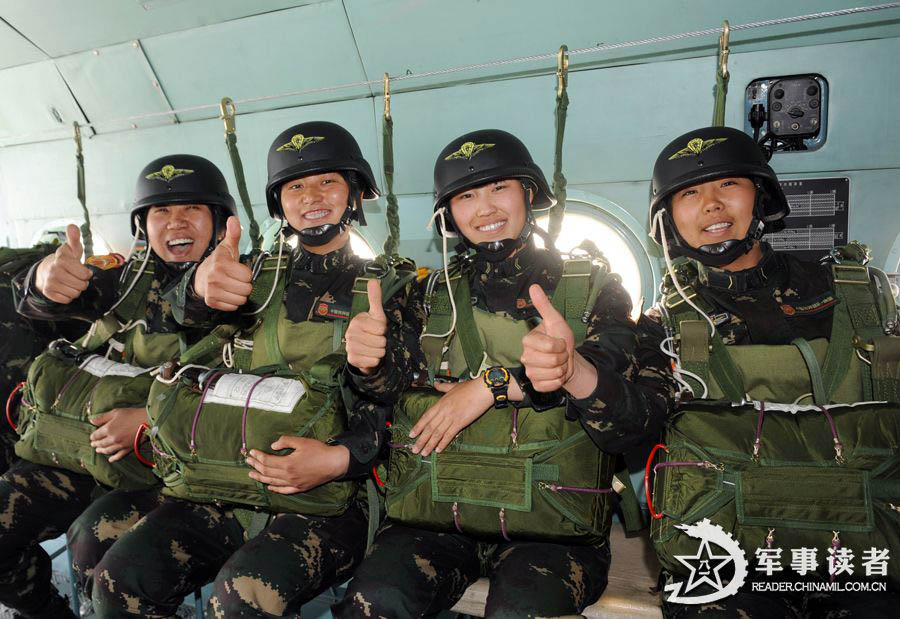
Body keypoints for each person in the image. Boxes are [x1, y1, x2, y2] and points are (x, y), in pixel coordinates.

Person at [334, 129, 677, 618]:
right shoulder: (431, 295)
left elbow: (629, 414)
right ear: (448, 215)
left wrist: (496, 385)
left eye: (500, 188)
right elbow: (390, 389)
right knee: (371, 605)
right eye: (466, 196)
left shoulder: (598, 287)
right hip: (435, 517)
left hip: (553, 530)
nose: (485, 208)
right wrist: (366, 363)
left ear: (529, 193)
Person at [90, 120, 424, 618]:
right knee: (117, 582)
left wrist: (340, 457)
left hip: (332, 497)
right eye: (296, 186)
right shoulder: (251, 277)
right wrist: (199, 290)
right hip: (223, 477)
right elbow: (180, 324)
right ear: (279, 203)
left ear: (355, 194)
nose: (312, 195)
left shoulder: (394, 288)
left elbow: (399, 403)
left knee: (239, 599)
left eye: (328, 181)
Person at [646, 126, 899, 618]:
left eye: (729, 185)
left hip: (861, 546)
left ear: (761, 199)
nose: (712, 205)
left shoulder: (855, 294)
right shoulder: (663, 324)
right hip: (724, 555)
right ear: (669, 220)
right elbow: (632, 422)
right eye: (690, 193)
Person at [1, 154, 235, 618]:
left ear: (220, 222)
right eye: (161, 212)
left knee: (101, 555)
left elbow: (259, 392)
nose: (176, 223)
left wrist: (155, 417)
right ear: (143, 226)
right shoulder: (125, 283)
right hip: (86, 453)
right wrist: (40, 282)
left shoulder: (242, 286)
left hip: (176, 470)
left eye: (191, 209)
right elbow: (54, 301)